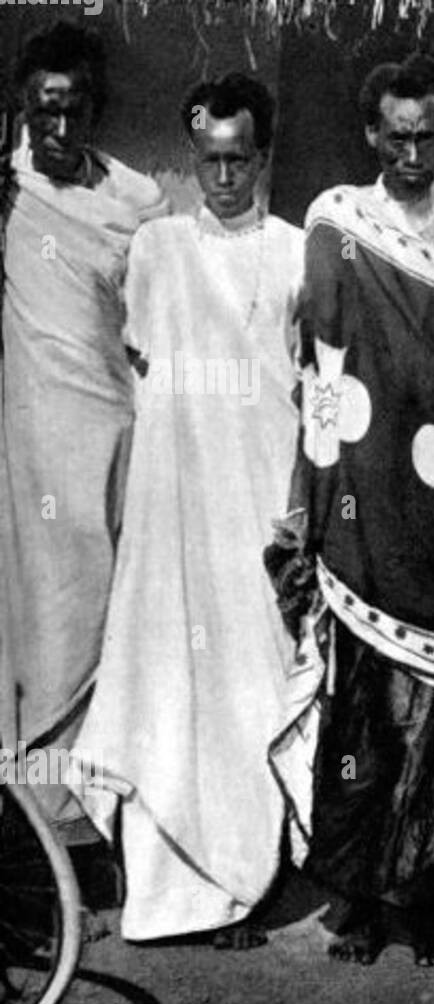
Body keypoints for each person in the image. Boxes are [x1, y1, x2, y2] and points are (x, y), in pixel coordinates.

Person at [282, 52, 434, 966]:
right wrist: (311, 506)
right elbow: (319, 366)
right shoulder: (339, 222)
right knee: (366, 709)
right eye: (396, 135)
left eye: (428, 135)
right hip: (362, 506)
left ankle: (428, 902)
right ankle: (364, 901)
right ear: (371, 135)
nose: (412, 151)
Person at [69, 74, 308, 946]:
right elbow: (132, 362)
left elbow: (309, 382)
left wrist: (297, 509)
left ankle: (245, 884)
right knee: (172, 682)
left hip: (255, 506)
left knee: (252, 685)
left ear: (264, 156)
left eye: (239, 159)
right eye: (208, 160)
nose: (223, 178)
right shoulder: (158, 249)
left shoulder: (294, 250)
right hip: (175, 515)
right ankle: (171, 886)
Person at [1, 22, 167, 844]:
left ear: (97, 110)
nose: (60, 132)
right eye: (44, 112)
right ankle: (40, 823)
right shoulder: (8, 190)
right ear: (24, 109)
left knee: (108, 619)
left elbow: (151, 323)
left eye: (76, 112)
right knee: (42, 623)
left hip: (111, 433)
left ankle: (93, 823)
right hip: (30, 445)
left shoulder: (134, 203)